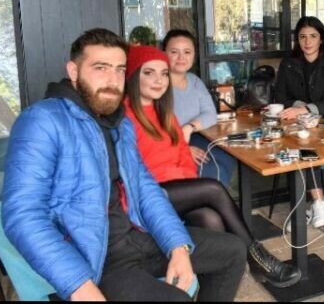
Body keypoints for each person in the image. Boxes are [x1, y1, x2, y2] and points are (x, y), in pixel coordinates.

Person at [2, 29, 246, 301]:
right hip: (94, 258)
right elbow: (22, 215)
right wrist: (77, 284)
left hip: (135, 236)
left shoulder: (119, 123)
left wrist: (177, 245)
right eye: (100, 68)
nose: (112, 80)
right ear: (73, 71)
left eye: (119, 70)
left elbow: (146, 189)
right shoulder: (43, 120)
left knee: (233, 251)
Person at [124, 44, 301, 288]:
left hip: (175, 192)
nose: (159, 80)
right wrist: (192, 187)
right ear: (134, 75)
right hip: (149, 197)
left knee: (210, 218)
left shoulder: (164, 112)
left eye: (164, 73)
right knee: (213, 188)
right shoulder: (124, 117)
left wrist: (190, 187)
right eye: (149, 73)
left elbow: (182, 156)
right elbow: (133, 175)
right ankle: (257, 257)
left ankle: (215, 286)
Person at [274, 16, 324, 229]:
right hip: (296, 122)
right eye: (302, 36)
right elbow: (279, 96)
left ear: (321, 39)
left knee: (305, 148)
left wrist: (304, 110)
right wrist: (298, 108)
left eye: (313, 36)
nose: (307, 41)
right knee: (294, 147)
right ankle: (317, 202)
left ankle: (305, 208)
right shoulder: (288, 64)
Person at [162, 29, 236, 187]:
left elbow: (210, 114)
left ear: (194, 55)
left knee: (228, 157)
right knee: (211, 174)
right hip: (171, 147)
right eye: (174, 52)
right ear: (164, 54)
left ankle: (215, 200)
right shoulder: (158, 85)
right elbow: (152, 129)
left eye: (187, 52)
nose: (181, 57)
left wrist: (189, 127)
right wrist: (182, 148)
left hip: (199, 137)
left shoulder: (194, 81)